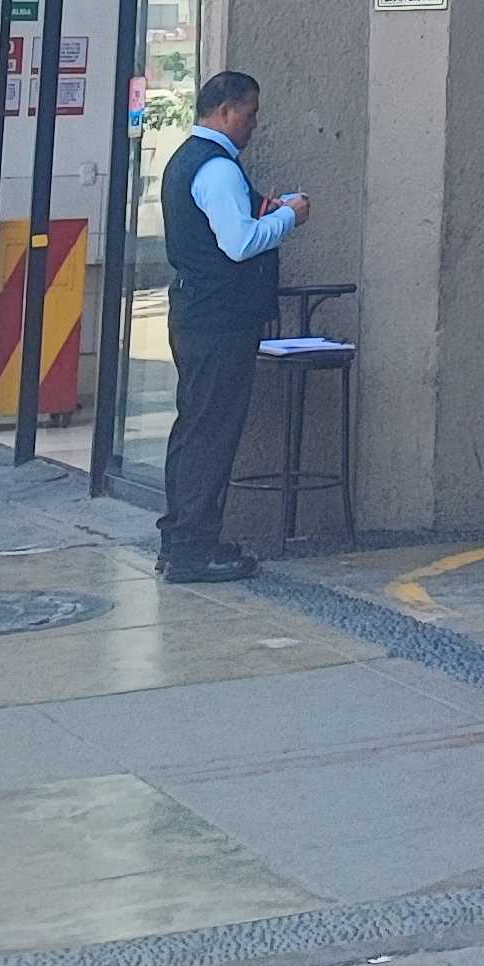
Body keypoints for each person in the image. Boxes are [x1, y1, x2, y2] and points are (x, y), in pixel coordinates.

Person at [158, 68, 307, 584]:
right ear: (224, 111)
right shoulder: (217, 168)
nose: (254, 124)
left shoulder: (185, 160)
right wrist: (289, 217)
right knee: (212, 432)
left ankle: (178, 540)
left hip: (196, 313)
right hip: (219, 320)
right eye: (250, 112)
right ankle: (194, 549)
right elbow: (239, 243)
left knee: (194, 426)